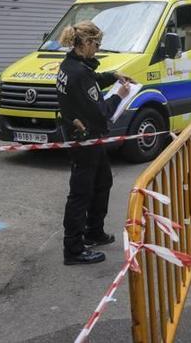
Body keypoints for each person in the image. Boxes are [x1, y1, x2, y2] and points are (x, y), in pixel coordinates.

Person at [56, 21, 131, 265]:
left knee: (103, 181)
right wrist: (120, 96)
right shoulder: (78, 72)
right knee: (80, 193)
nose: (97, 49)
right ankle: (74, 248)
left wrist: (112, 76)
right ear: (86, 43)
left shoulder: (70, 65)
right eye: (96, 44)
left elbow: (91, 79)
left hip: (86, 136)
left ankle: (94, 231)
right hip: (84, 138)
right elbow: (102, 112)